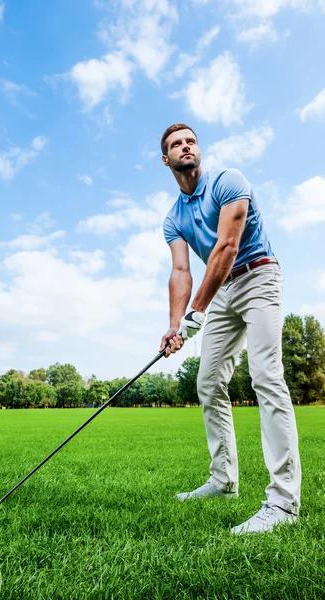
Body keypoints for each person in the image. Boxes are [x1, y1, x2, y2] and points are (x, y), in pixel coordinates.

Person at [159, 123, 301, 535]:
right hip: (220, 291)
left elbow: (227, 247)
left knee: (266, 376)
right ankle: (223, 482)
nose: (185, 147)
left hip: (258, 276)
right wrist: (174, 325)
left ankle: (283, 502)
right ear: (165, 159)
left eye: (190, 141)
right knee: (207, 383)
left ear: (198, 149)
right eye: (175, 145)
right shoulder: (174, 218)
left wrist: (195, 313)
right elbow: (181, 271)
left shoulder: (228, 181)